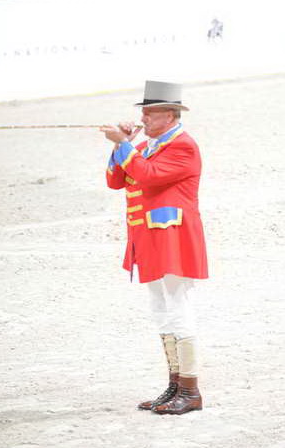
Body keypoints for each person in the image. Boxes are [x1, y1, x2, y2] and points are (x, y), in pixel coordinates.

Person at [100, 80, 208, 415]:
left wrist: (124, 145)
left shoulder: (183, 146)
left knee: (178, 307)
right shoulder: (147, 145)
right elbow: (116, 181)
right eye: (143, 111)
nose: (143, 117)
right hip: (149, 237)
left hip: (172, 237)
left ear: (171, 115)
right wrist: (123, 145)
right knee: (162, 310)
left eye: (150, 112)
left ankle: (190, 390)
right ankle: (175, 385)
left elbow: (145, 177)